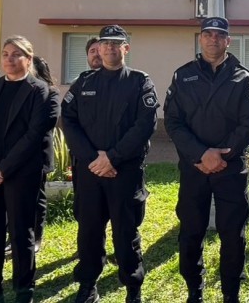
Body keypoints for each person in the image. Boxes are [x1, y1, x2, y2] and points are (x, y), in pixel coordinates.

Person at [164, 16, 249, 303]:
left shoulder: (242, 78)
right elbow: (173, 121)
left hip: (230, 169)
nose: (213, 39)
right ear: (200, 38)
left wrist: (221, 156)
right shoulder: (183, 76)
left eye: (219, 35)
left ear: (228, 41)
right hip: (194, 168)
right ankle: (194, 290)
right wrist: (200, 154)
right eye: (208, 34)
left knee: (232, 234)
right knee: (191, 232)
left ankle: (231, 293)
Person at [62, 25, 158, 303]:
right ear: (99, 48)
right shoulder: (84, 82)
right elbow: (69, 120)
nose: (110, 48)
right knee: (89, 231)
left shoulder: (140, 82)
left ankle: (132, 287)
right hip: (90, 171)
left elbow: (145, 125)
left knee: (125, 232)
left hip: (124, 171)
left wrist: (112, 157)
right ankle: (88, 284)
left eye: (116, 43)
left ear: (126, 48)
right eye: (106, 43)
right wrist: (93, 159)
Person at [0, 36, 58, 303]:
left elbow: (34, 135)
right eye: (5, 54)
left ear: (28, 59)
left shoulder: (41, 91)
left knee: (21, 232)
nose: (9, 59)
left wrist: (3, 169)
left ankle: (23, 288)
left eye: (16, 54)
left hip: (21, 172)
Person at [31, 55, 62, 251]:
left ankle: (36, 237)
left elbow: (47, 122)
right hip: (13, 157)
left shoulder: (51, 93)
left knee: (37, 198)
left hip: (38, 154)